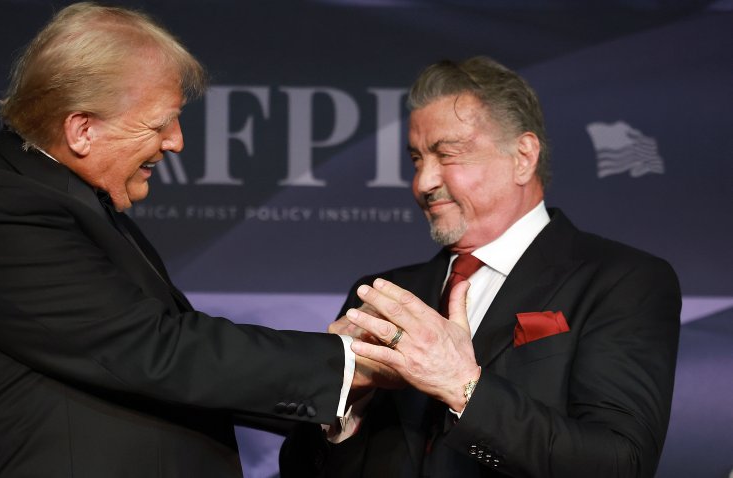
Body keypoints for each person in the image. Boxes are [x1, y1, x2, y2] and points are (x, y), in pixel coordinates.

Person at [0, 4, 383, 477]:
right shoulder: (5, 215)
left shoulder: (66, 201)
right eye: (160, 123)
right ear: (82, 130)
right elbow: (153, 350)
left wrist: (337, 380)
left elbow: (160, 365)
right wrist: (340, 364)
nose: (176, 141)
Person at [280, 57, 681, 477]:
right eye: (417, 159)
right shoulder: (385, 297)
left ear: (523, 156)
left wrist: (463, 388)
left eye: (447, 154)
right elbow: (300, 470)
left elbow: (620, 464)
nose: (423, 182)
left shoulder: (622, 281)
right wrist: (344, 401)